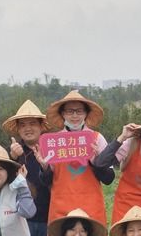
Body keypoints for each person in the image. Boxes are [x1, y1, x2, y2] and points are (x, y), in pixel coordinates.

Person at [41, 90, 117, 225]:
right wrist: (44, 168)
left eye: (79, 111)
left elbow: (109, 179)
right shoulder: (54, 142)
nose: (74, 115)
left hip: (91, 207)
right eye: (70, 111)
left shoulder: (97, 139)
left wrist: (96, 162)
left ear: (86, 114)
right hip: (61, 208)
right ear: (63, 114)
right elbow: (46, 181)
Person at [3, 100, 55, 236]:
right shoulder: (14, 153)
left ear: (41, 127)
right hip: (24, 221)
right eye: (23, 125)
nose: (28, 128)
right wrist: (13, 159)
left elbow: (55, 180)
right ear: (17, 129)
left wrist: (45, 165)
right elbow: (5, 185)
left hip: (51, 217)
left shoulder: (52, 150)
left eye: (33, 123)